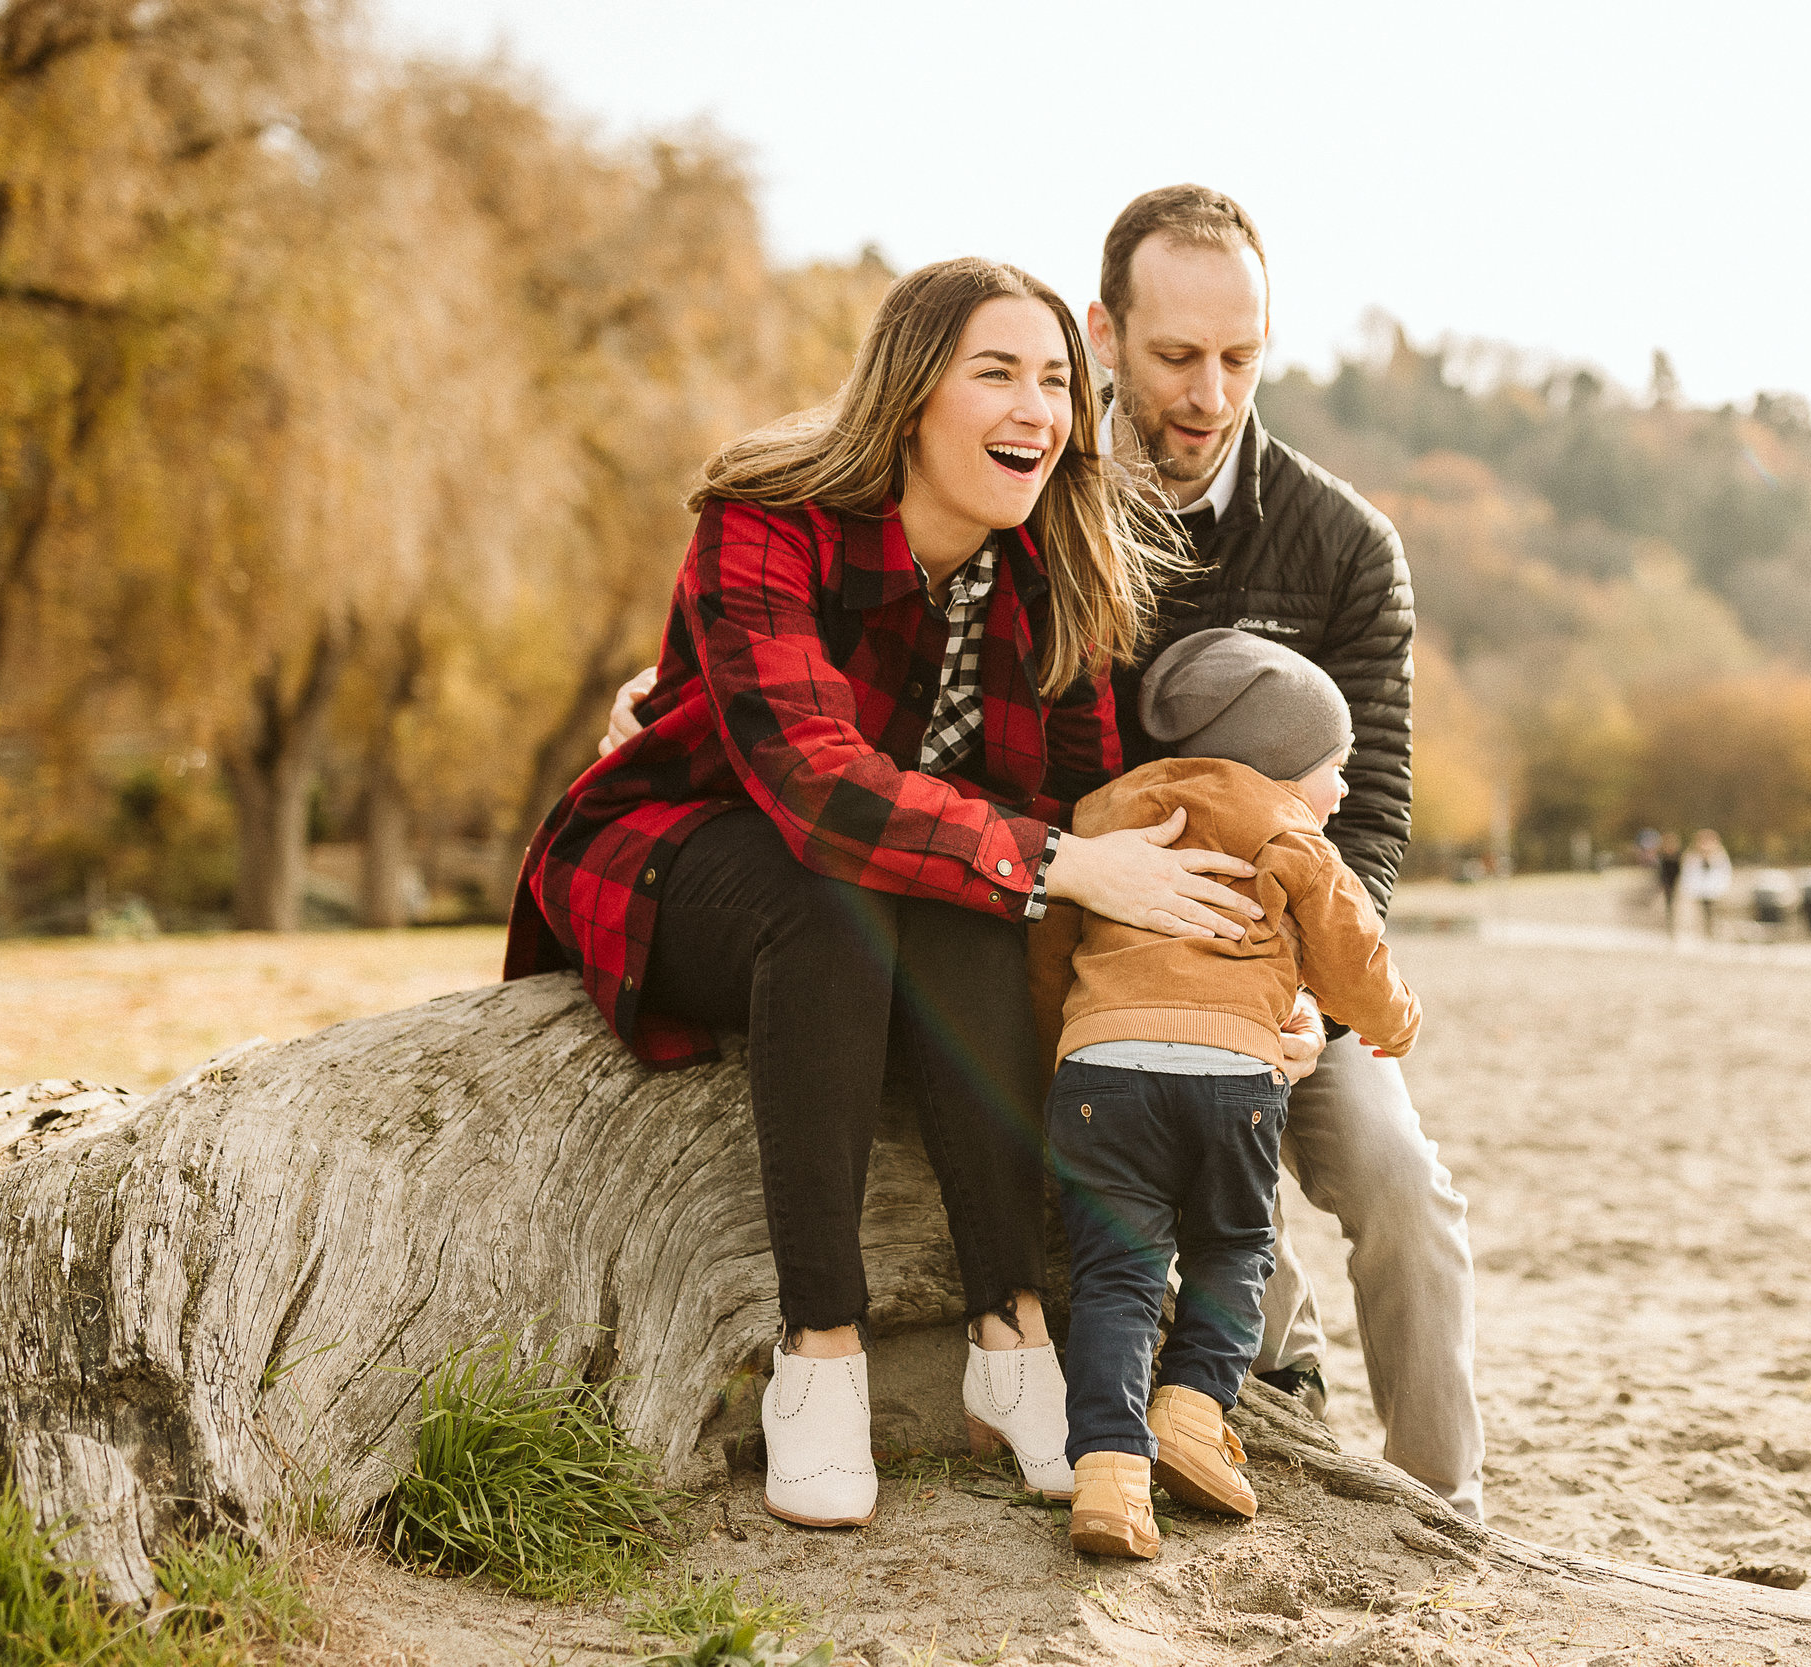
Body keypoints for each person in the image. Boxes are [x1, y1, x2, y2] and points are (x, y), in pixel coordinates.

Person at [603, 185, 1486, 1519]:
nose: (1208, 392)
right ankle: (1190, 1374)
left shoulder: (1301, 546)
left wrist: (1299, 972)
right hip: (946, 891)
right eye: (1174, 356)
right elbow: (900, 774)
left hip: (1258, 936)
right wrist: (690, 701)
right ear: (1112, 334)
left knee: (1397, 1177)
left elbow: (1344, 807)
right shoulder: (975, 509)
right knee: (1006, 977)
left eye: (1240, 358)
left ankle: (1433, 1498)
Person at [505, 257, 1321, 1532]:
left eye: (1055, 380)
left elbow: (1097, 815)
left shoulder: (1060, 567)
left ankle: (1013, 1339)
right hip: (689, 852)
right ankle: (820, 1350)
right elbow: (817, 784)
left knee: (968, 882)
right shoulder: (764, 520)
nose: (1036, 410)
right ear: (908, 397)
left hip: (911, 888)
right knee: (850, 883)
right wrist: (1052, 860)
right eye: (995, 372)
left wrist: (1248, 986)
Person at [1034, 629, 1422, 1560]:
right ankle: (1192, 1414)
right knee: (1235, 1250)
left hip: (1101, 1073)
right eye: (1335, 767)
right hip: (1227, 1082)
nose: (1342, 790)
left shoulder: (1100, 815)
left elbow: (1047, 950)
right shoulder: (1282, 826)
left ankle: (1110, 1477)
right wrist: (1394, 1019)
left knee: (1116, 1276)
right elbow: (1349, 948)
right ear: (1281, 762)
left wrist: (1066, 1039)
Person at [1681, 829, 1732, 937]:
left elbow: (1725, 873)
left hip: (1715, 891)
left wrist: (1722, 888)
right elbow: (1688, 874)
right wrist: (1690, 889)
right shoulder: (1692, 857)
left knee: (1713, 913)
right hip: (1699, 891)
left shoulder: (1719, 857)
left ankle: (1712, 932)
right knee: (1701, 913)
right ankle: (1702, 932)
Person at [1656, 831, 1684, 932]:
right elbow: (1660, 872)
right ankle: (1668, 925)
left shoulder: (1679, 856)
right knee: (1668, 904)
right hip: (1666, 883)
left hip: (1676, 883)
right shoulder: (1662, 857)